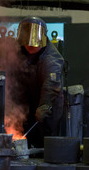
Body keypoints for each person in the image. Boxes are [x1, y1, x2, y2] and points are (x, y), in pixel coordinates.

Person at [14, 16, 65, 148]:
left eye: (33, 44)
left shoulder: (52, 59)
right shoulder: (19, 52)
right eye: (27, 43)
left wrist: (44, 106)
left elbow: (51, 85)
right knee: (25, 137)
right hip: (28, 102)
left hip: (48, 105)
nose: (30, 47)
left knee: (46, 141)